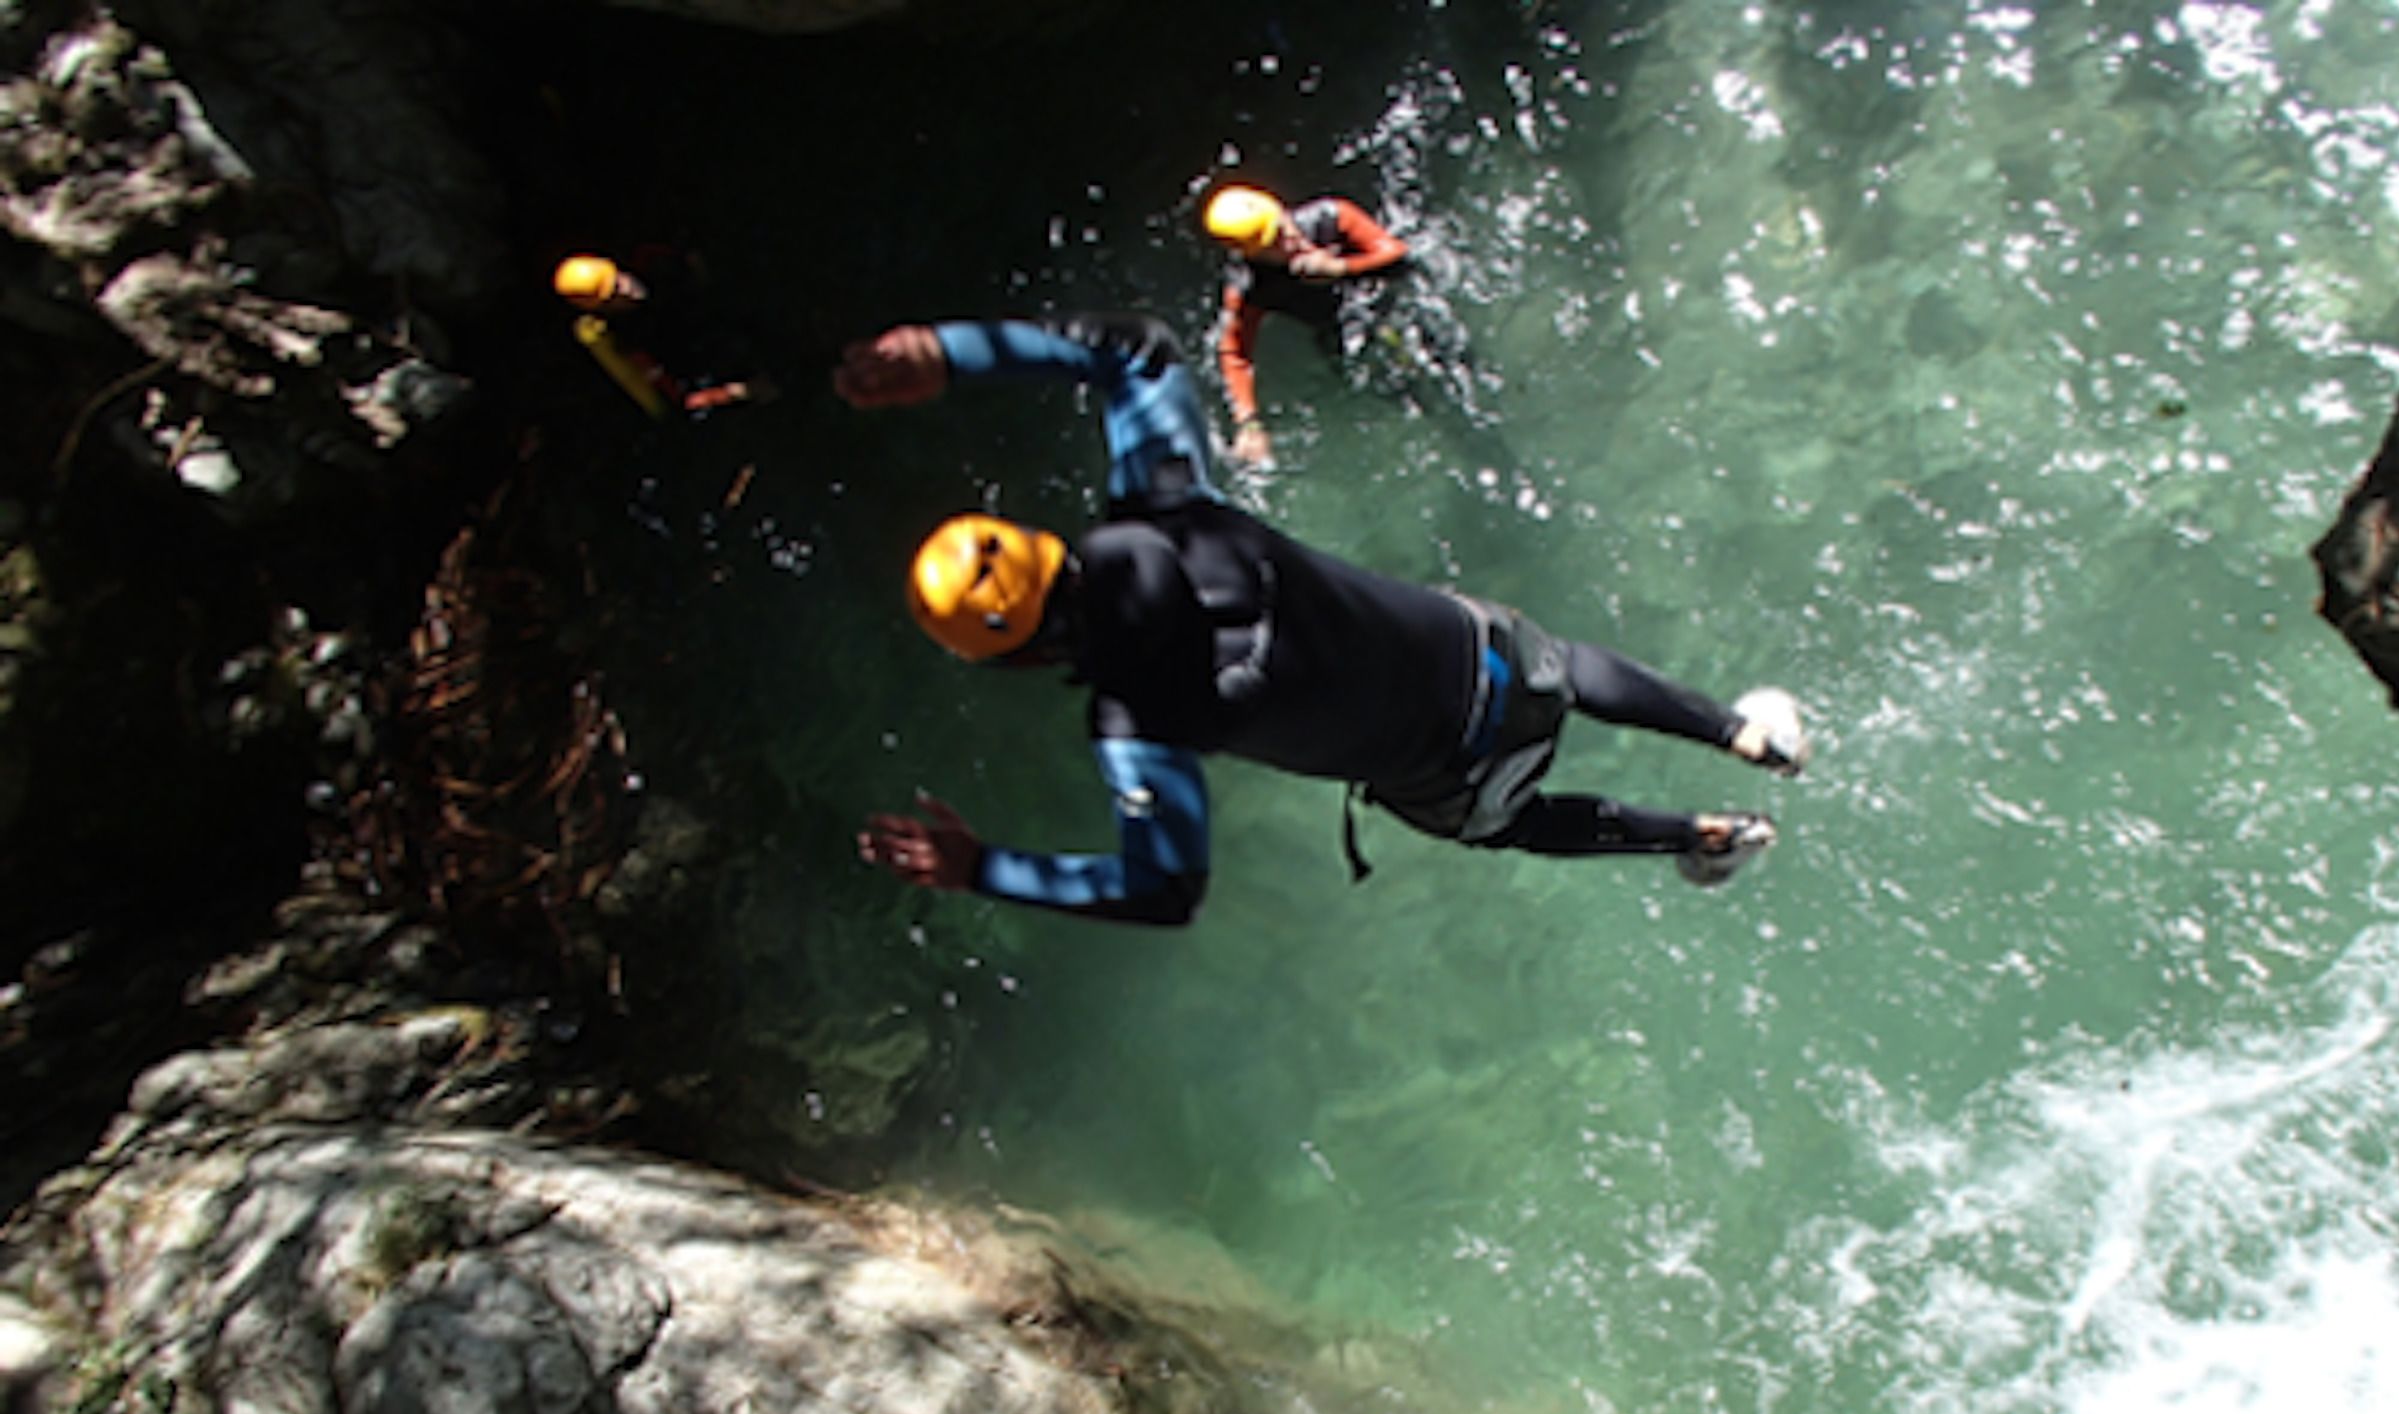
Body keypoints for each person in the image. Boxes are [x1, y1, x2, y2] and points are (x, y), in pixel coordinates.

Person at [835, 313, 1810, 929]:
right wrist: (949, 353)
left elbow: (1164, 893)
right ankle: (1748, 734)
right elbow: (1137, 351)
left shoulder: (1139, 729)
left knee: (1509, 826)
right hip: (1486, 653)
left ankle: (1704, 835)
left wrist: (982, 868)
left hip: (1453, 776)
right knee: (1568, 665)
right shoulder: (1167, 504)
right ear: (1041, 543)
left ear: (1015, 661)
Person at [1201, 185, 1410, 466]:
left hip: (1392, 303)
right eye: (1272, 243)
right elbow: (1234, 352)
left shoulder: (1330, 218)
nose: (1289, 240)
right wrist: (1249, 424)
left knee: (1421, 344)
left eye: (1282, 226)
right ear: (1253, 255)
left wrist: (1341, 268)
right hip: (1339, 329)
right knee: (1381, 385)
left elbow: (1397, 256)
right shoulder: (1250, 287)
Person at [552, 251, 772, 417]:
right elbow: (680, 397)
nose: (627, 290)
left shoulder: (657, 265)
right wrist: (736, 392)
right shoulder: (629, 340)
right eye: (613, 296)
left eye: (619, 281)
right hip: (714, 365)